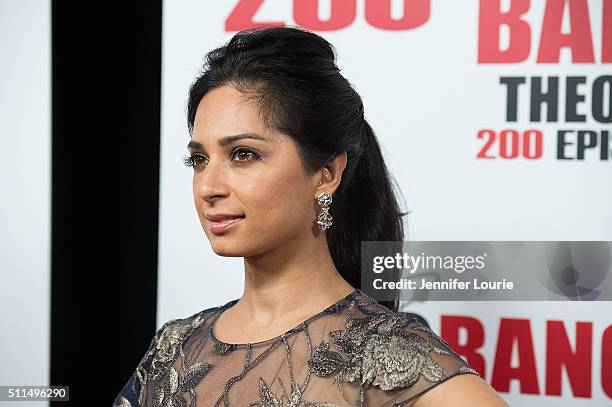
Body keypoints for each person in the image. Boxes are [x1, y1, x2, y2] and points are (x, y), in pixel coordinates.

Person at [114, 26, 508, 407]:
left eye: (243, 154)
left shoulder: (389, 355)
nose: (208, 187)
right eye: (199, 159)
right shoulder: (175, 349)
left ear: (326, 173)